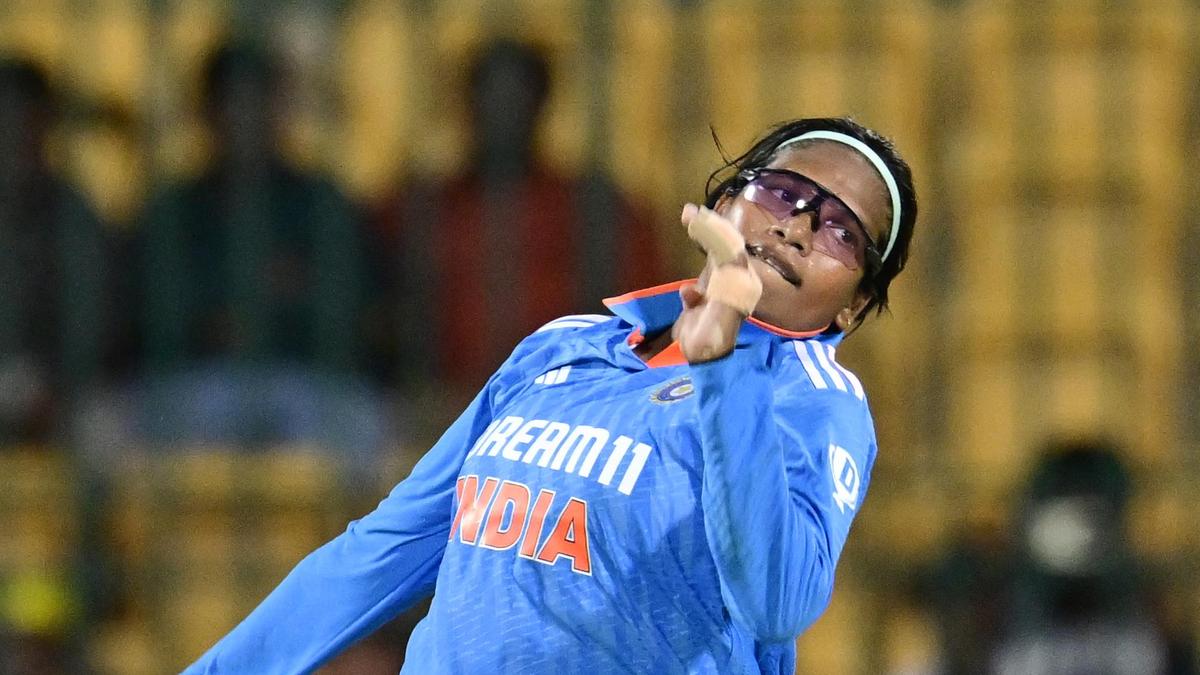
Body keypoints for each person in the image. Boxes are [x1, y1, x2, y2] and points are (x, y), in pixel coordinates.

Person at [185, 115, 918, 674]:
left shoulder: (816, 400)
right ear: (726, 201)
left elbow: (777, 601)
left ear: (854, 306)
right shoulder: (563, 346)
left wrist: (725, 368)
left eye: (841, 232)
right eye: (783, 193)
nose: (796, 227)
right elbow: (382, 553)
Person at [366, 39, 663, 397]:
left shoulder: (596, 210)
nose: (503, 113)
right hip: (429, 403)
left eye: (517, 98)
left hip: (569, 397)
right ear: (467, 104)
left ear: (541, 104)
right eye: (490, 97)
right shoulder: (421, 210)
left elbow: (646, 320)